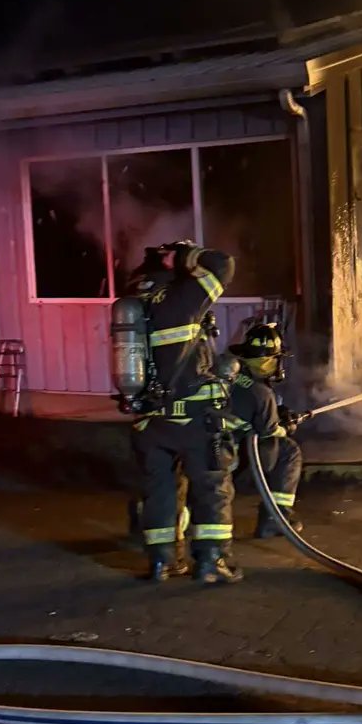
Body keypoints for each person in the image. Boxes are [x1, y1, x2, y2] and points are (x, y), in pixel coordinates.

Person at [126, 241, 242, 584]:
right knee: (211, 487)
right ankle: (212, 561)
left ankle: (162, 562)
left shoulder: (133, 307)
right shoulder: (179, 301)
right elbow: (223, 263)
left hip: (150, 423)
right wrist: (186, 253)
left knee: (160, 492)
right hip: (194, 420)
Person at [225, 323, 305, 538]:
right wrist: (287, 426)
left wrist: (277, 412)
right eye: (277, 359)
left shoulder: (232, 376)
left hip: (209, 454)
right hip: (238, 463)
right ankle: (276, 519)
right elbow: (269, 432)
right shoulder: (261, 393)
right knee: (289, 450)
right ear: (268, 362)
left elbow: (247, 413)